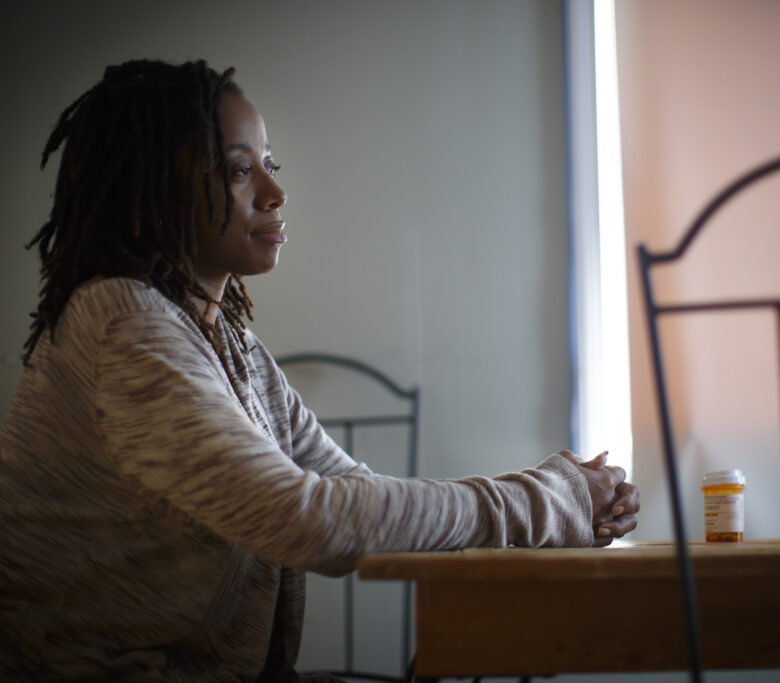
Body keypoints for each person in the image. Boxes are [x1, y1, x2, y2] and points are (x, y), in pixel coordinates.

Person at [0, 59, 639, 682]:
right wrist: (546, 501)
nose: (276, 193)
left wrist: (560, 498)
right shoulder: (123, 328)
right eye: (239, 170)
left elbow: (350, 492)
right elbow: (310, 521)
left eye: (268, 167)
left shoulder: (229, 345)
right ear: (152, 185)